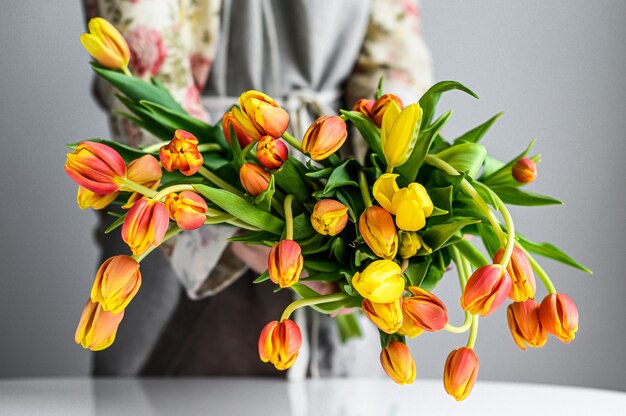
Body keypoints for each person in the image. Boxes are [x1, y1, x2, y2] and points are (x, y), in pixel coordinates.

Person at [82, 0, 433, 377]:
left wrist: (386, 197)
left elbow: (394, 58)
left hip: (341, 196)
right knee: (167, 397)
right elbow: (143, 58)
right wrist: (245, 215)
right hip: (188, 214)